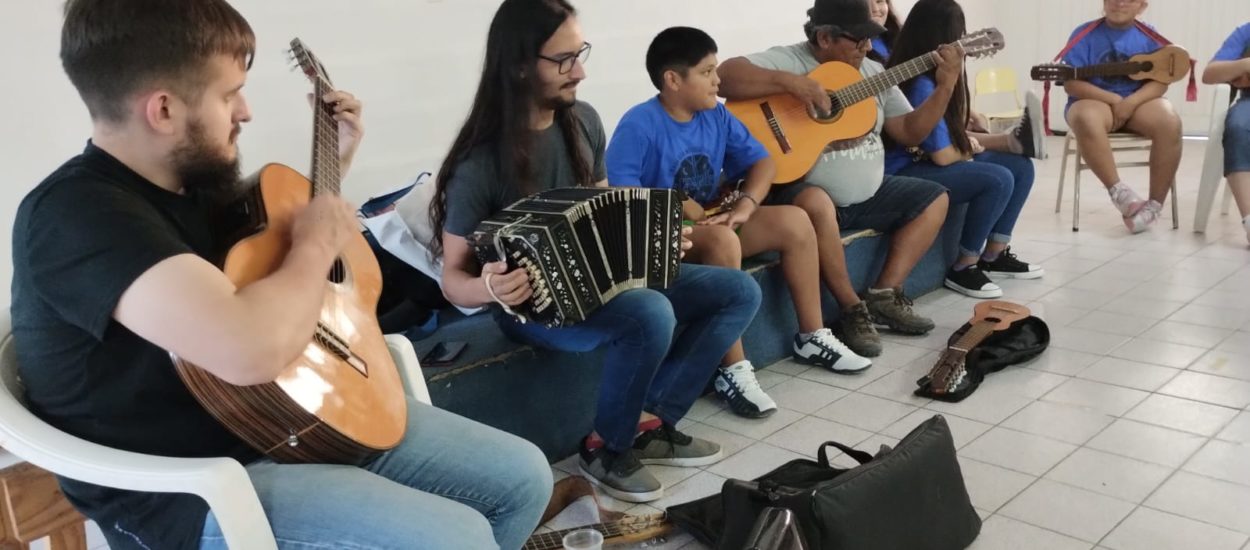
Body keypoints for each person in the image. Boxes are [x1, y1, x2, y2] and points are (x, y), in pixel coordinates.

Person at [9, 1, 552, 548]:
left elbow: (274, 271)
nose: (244, 111)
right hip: (194, 489)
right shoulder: (77, 216)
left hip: (286, 420)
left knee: (523, 479)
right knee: (456, 538)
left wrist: (333, 164)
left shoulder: (190, 185)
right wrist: (316, 241)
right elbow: (248, 347)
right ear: (164, 109)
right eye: (227, 95)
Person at [429, 0, 760, 503]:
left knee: (737, 291)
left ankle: (651, 423)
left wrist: (655, 238)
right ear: (519, 64)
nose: (580, 71)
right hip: (533, 308)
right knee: (650, 311)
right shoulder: (480, 163)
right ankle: (607, 450)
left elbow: (608, 208)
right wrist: (491, 287)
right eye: (564, 60)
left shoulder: (582, 121)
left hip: (604, 284)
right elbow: (452, 279)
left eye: (579, 53)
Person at [606, 27, 873, 419]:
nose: (718, 81)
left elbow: (762, 161)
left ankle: (812, 336)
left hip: (716, 222)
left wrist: (748, 204)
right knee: (722, 243)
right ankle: (732, 368)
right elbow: (624, 197)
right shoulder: (638, 125)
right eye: (707, 71)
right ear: (673, 80)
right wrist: (678, 204)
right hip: (666, 239)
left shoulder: (716, 115)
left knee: (795, 221)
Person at [718, 0, 956, 336]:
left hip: (868, 194)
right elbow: (724, 76)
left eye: (870, 39)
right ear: (826, 38)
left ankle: (883, 294)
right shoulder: (790, 59)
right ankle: (850, 308)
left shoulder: (874, 73)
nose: (868, 47)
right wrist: (793, 84)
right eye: (858, 40)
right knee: (817, 201)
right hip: (801, 189)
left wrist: (945, 86)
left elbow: (910, 131)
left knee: (935, 198)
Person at [883, 0, 1044, 299]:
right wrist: (970, 148)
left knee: (1021, 167)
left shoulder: (938, 76)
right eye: (961, 34)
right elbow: (943, 156)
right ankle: (964, 267)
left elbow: (948, 135)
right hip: (905, 170)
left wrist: (969, 130)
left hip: (927, 161)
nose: (965, 41)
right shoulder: (921, 84)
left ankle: (994, 255)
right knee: (997, 178)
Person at [1062, 0, 1183, 233]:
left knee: (1170, 121)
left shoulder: (1150, 35)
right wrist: (1114, 100)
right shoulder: (1083, 34)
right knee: (1086, 118)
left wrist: (1131, 102)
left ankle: (1153, 208)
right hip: (1095, 101)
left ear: (1142, 6)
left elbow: (1161, 82)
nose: (1120, 3)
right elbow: (1072, 83)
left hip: (1138, 102)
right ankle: (1121, 195)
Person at [1201, 22, 1250, 244]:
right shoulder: (1246, 32)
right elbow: (1210, 74)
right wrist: (1244, 64)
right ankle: (1249, 220)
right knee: (1238, 127)